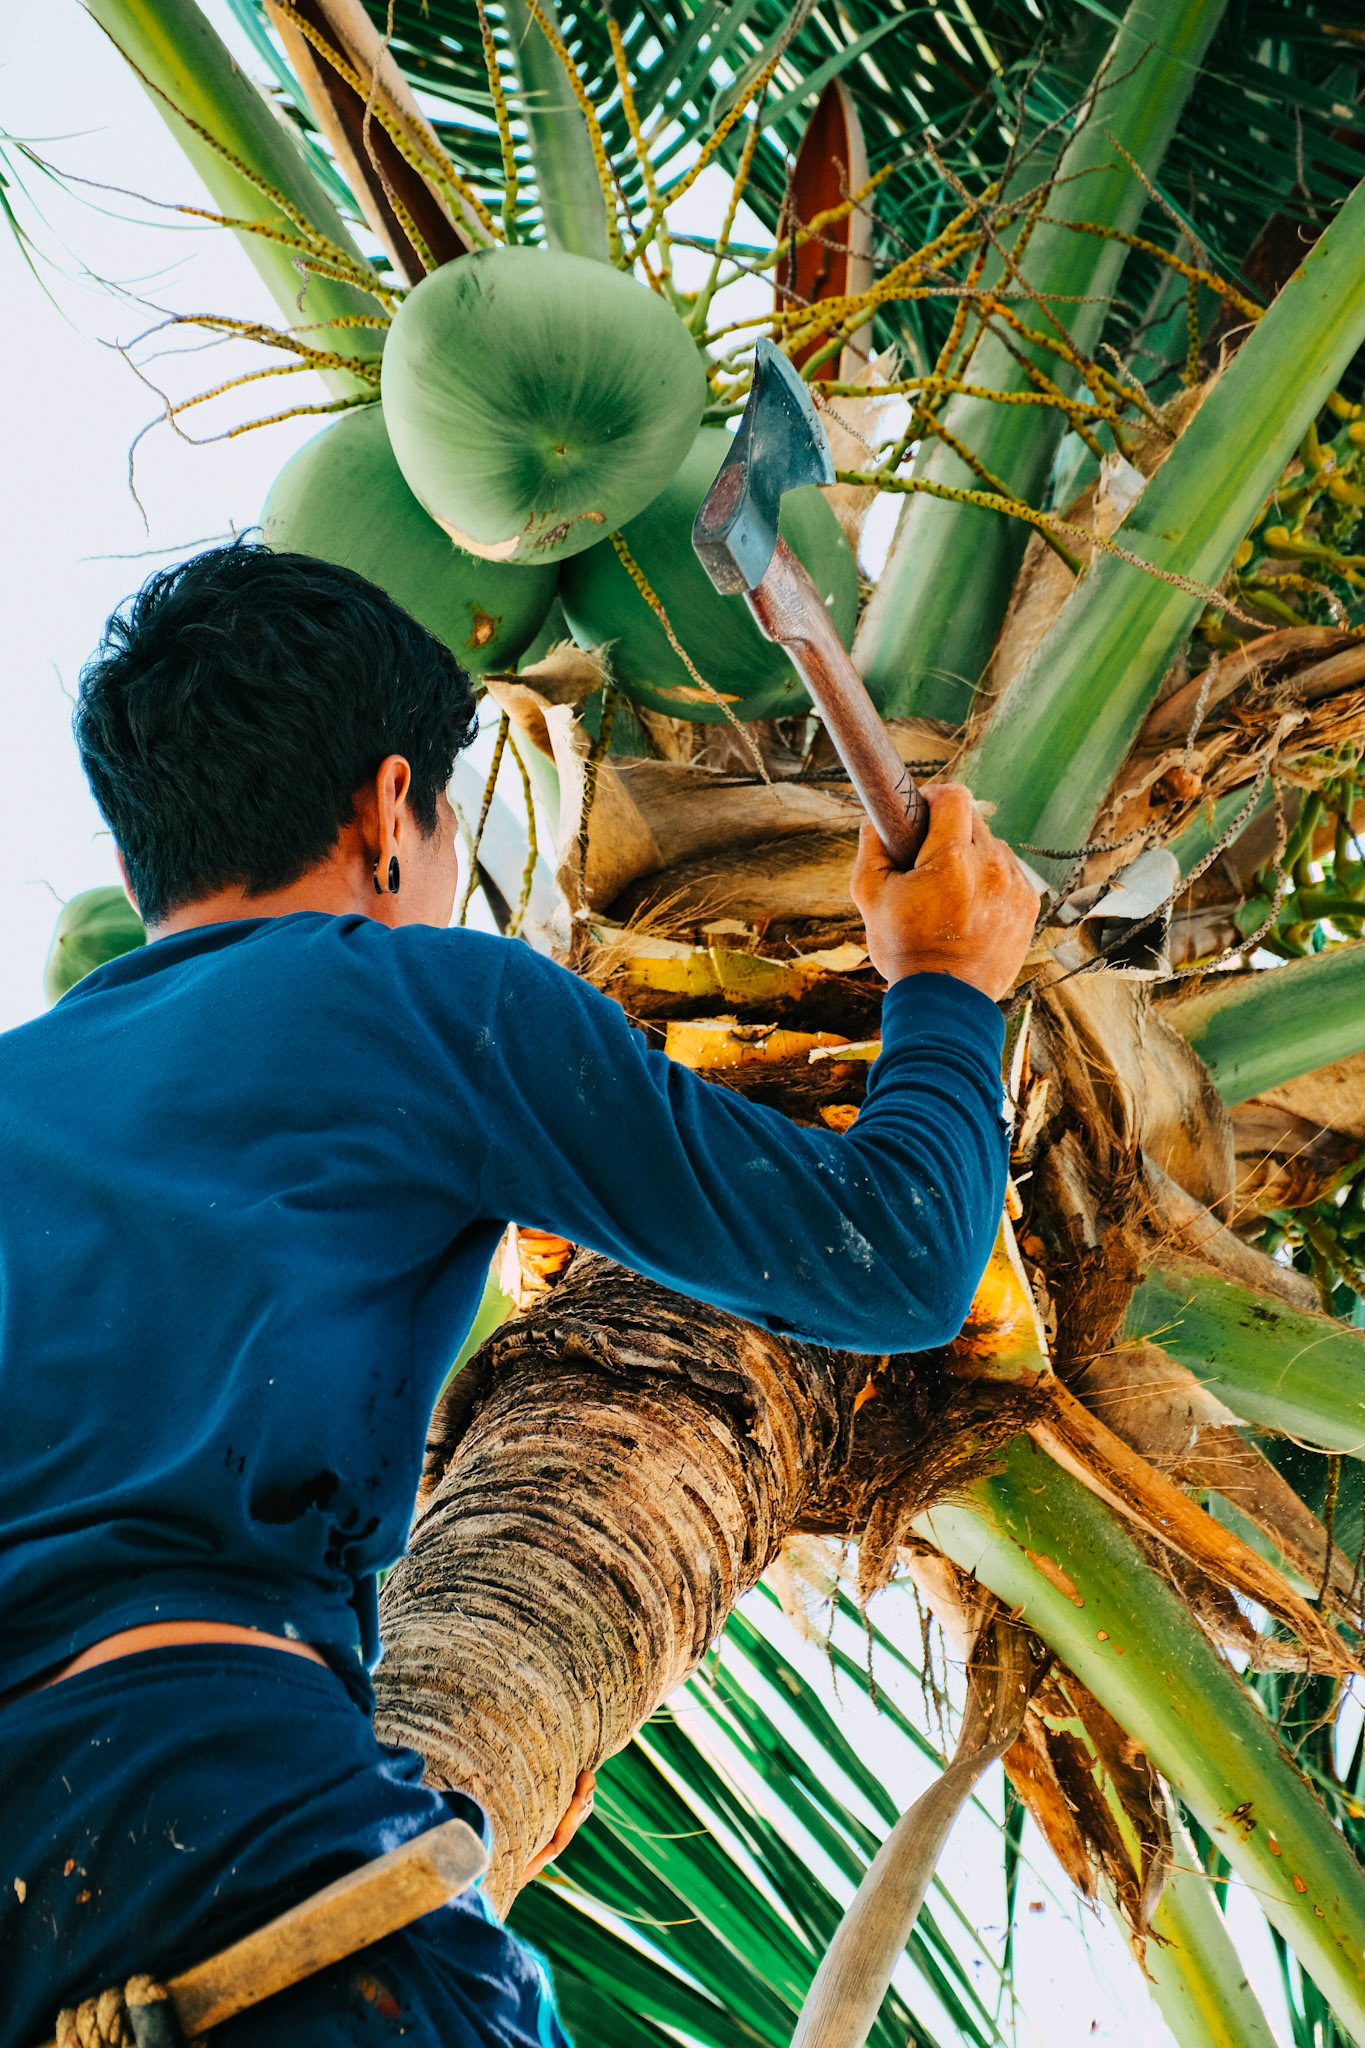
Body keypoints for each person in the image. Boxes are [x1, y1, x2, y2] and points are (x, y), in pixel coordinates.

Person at [0, 544, 1038, 2047]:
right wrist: (947, 982)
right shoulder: (411, 996)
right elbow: (891, 1259)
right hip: (219, 1820)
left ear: (136, 868)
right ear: (385, 810)